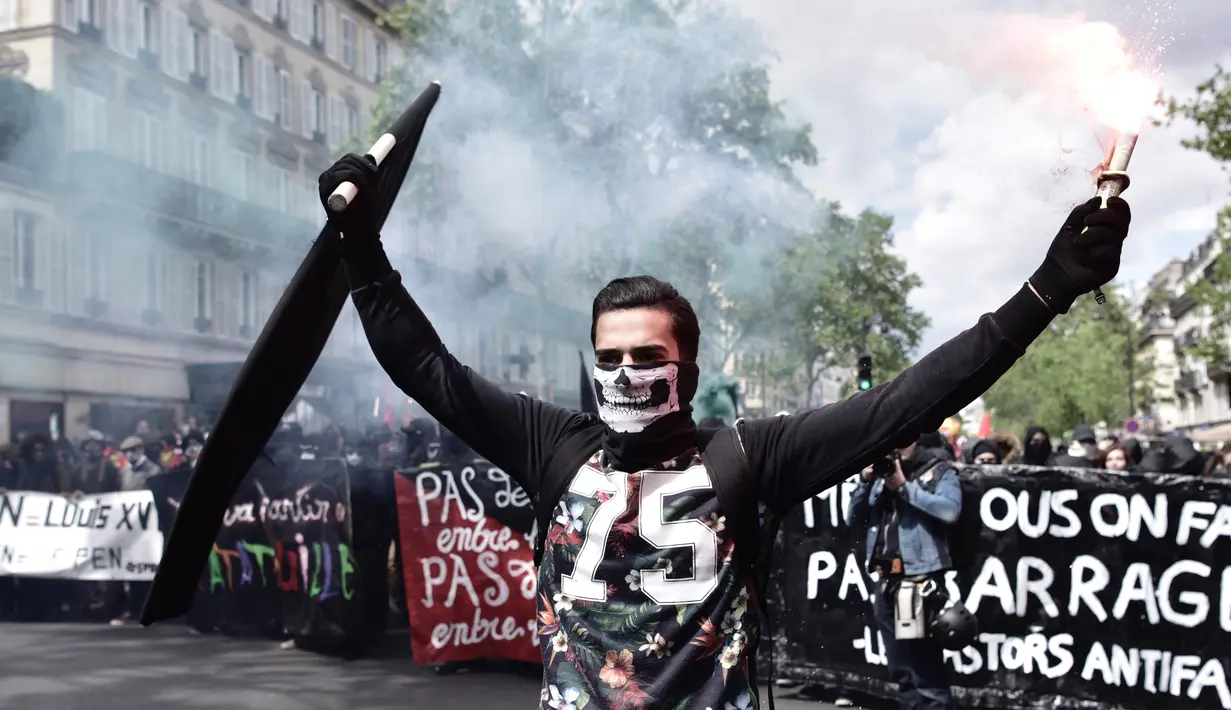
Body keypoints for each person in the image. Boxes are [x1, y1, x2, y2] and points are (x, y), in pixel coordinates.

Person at [318, 154, 1130, 710]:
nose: (627, 373)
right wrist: (359, 250)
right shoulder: (554, 444)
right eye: (610, 357)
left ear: (688, 371)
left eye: (648, 355)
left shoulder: (747, 454)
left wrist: (1047, 287)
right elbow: (426, 368)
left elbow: (910, 399)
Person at [847, 439, 962, 710]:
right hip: (886, 578)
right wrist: (865, 481)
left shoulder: (938, 470)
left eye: (902, 442)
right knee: (902, 671)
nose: (894, 449)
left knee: (926, 671)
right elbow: (852, 518)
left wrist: (904, 487)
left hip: (920, 579)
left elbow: (950, 511)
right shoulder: (880, 475)